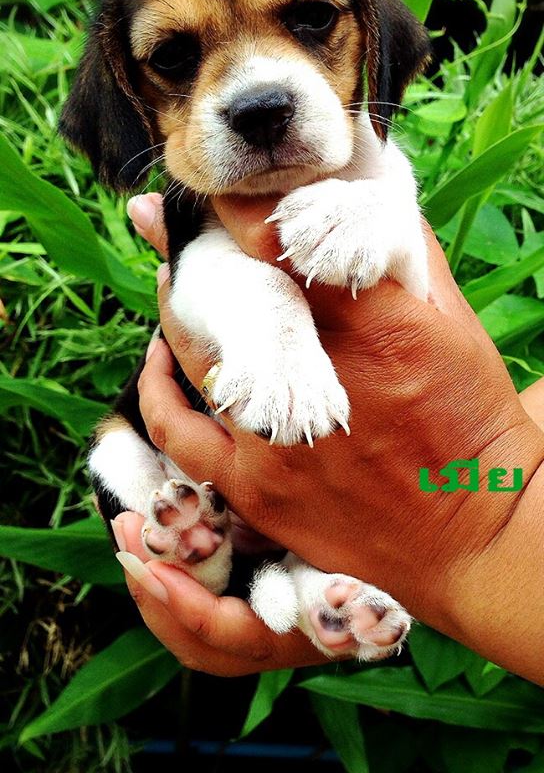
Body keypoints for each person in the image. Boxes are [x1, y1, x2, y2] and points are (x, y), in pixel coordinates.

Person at [110, 192, 544, 685]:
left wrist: (472, 528)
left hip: (274, 502)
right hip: (202, 469)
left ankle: (297, 582)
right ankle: (250, 572)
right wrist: (482, 472)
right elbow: (507, 466)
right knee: (118, 454)